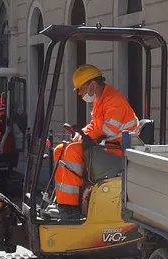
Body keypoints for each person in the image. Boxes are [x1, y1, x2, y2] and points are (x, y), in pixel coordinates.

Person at [51, 64, 139, 219]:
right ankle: (64, 201)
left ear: (92, 84)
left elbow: (108, 130)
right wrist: (82, 134)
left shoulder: (113, 100)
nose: (79, 93)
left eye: (81, 88)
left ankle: (70, 208)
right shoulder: (101, 98)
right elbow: (95, 125)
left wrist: (86, 136)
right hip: (105, 147)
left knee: (72, 151)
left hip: (117, 150)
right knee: (60, 149)